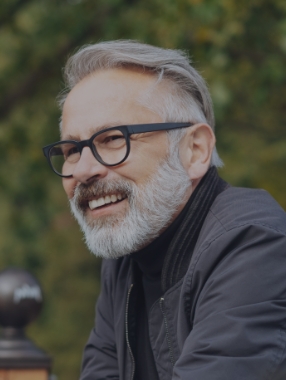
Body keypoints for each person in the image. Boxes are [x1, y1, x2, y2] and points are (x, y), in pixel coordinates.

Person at [43, 40, 286, 380]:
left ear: (195, 150)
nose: (83, 171)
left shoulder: (255, 243)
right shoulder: (124, 261)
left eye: (113, 139)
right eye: (71, 149)